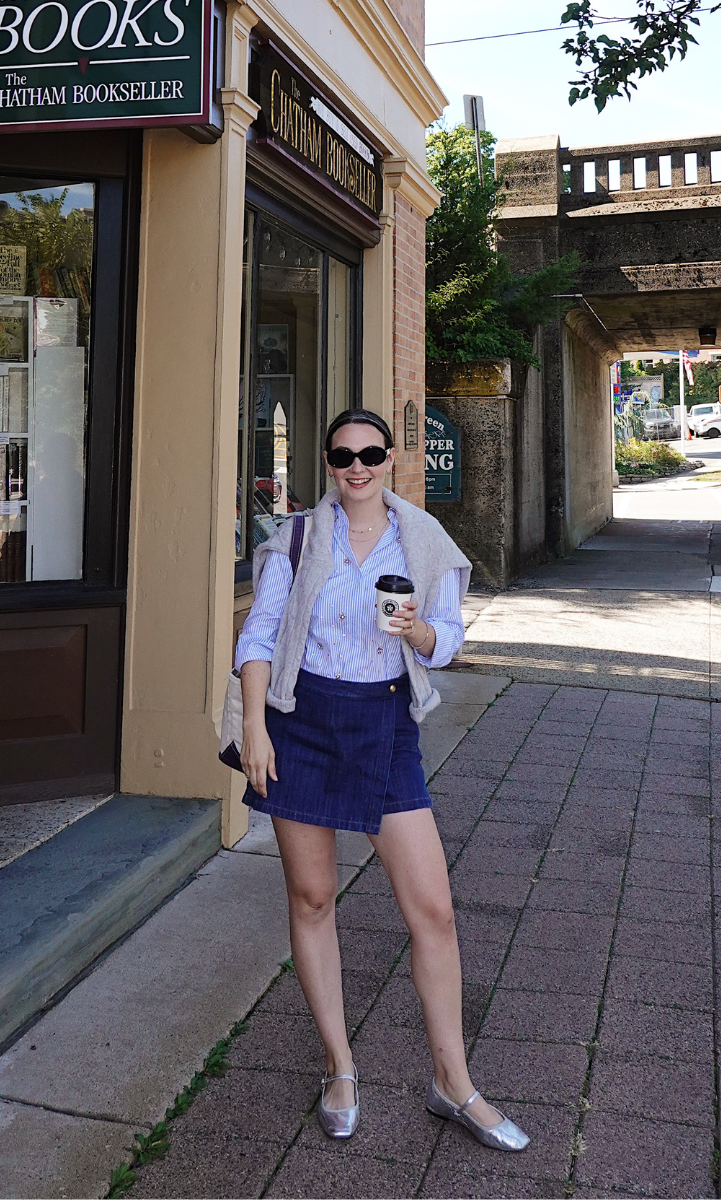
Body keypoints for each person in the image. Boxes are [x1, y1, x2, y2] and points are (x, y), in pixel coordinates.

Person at [234, 409, 529, 1152]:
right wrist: (256, 727)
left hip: (384, 722)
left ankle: (453, 1082)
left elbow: (448, 640)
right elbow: (260, 636)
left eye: (369, 453)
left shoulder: (421, 540)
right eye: (342, 455)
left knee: (433, 909)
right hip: (300, 721)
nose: (356, 466)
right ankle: (340, 1067)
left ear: (391, 459)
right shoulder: (299, 537)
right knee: (311, 897)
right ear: (327, 462)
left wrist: (419, 633)